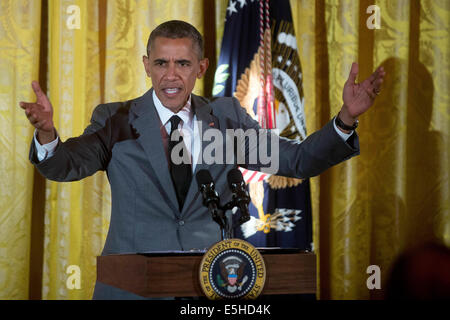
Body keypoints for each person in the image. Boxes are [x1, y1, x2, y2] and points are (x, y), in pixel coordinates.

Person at [20, 20, 385, 299]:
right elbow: (65, 164)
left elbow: (297, 161)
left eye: (182, 63)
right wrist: (48, 134)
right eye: (161, 63)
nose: (171, 75)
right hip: (130, 287)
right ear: (146, 65)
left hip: (209, 288)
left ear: (202, 67)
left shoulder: (226, 119)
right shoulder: (115, 119)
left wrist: (346, 120)